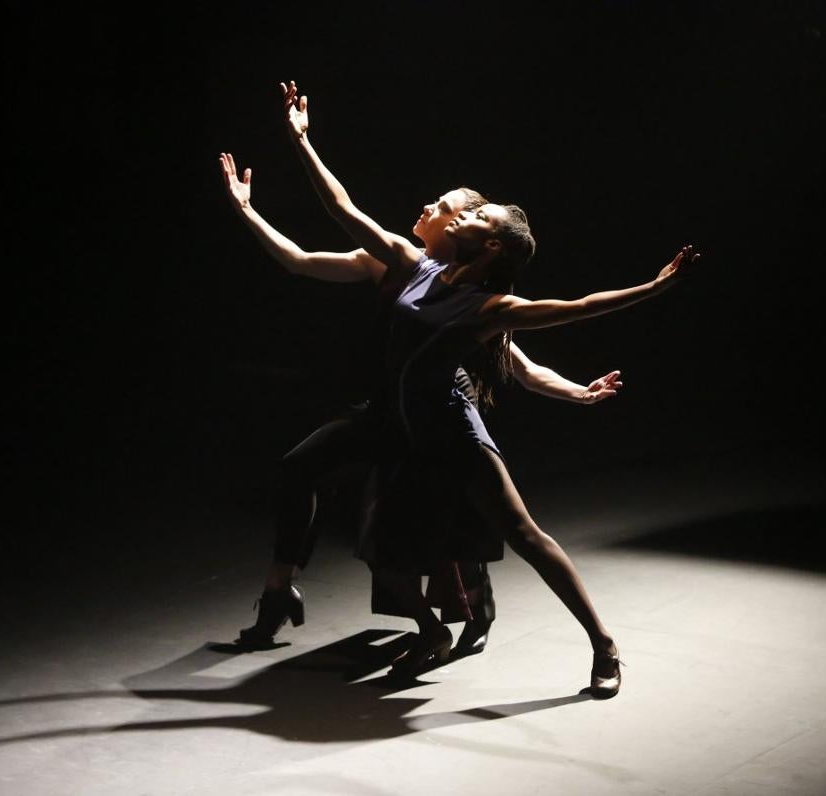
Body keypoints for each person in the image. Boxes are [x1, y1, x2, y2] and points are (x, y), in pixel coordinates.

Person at [235, 79, 700, 698]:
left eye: (477, 216)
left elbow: (580, 306)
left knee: (525, 535)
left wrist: (653, 288)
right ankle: (431, 633)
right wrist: (300, 142)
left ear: (490, 245)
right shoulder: (414, 264)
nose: (461, 214)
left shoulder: (491, 309)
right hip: (409, 436)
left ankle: (603, 643)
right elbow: (343, 209)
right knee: (386, 558)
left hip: (454, 431)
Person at [218, 166, 624, 655]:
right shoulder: (396, 261)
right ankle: (281, 592)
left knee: (466, 520)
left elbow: (525, 366)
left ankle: (481, 610)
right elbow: (302, 257)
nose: (430, 207)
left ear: (466, 231)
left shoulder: (475, 299)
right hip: (387, 408)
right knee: (307, 474)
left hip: (436, 413)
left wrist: (579, 392)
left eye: (445, 206)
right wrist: (247, 208)